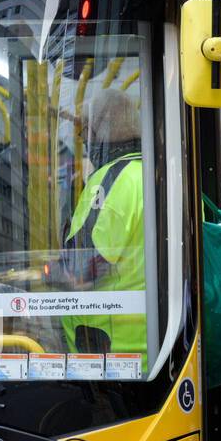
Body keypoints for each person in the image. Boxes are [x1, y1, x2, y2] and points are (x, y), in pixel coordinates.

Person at [60, 87, 147, 360]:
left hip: (108, 351)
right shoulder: (160, 174)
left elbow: (80, 267)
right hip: (151, 344)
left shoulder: (108, 182)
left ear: (99, 131)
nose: (82, 140)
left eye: (84, 130)